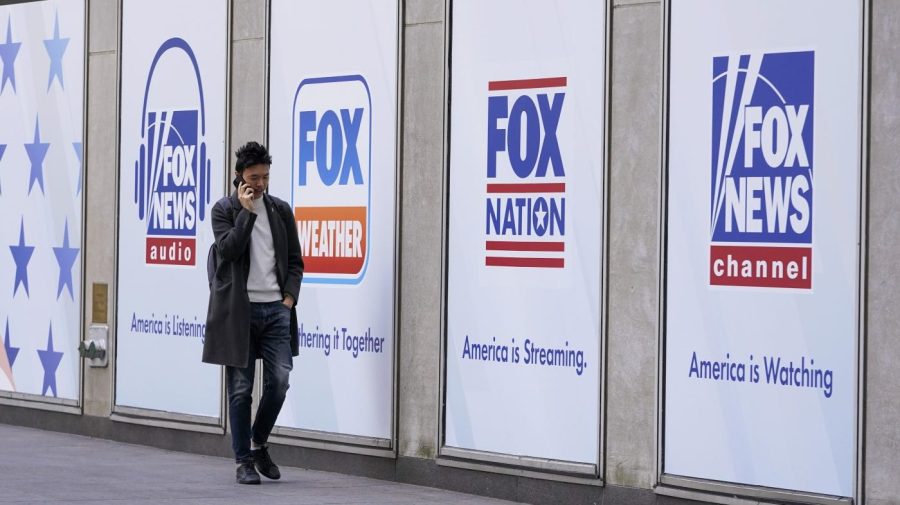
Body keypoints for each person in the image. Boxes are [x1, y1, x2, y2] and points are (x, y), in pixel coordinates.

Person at [203, 141, 304, 485]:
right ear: (239, 177)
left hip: (276, 310)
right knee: (241, 389)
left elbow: (294, 262)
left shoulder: (281, 210)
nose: (260, 183)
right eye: (253, 177)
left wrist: (288, 298)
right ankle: (243, 460)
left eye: (264, 176)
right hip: (239, 313)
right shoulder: (224, 210)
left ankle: (259, 443)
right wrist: (246, 213)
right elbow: (229, 251)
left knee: (280, 381)